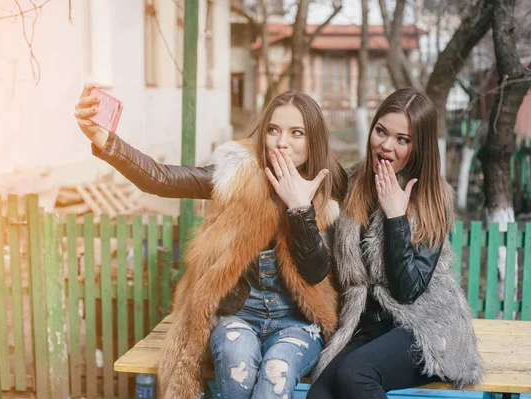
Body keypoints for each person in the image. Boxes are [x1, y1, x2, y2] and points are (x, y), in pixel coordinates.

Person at [74, 84, 347, 399]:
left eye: (296, 133)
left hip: (297, 322)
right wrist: (103, 139)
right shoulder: (239, 172)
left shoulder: (329, 189)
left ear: (314, 140)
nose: (281, 143)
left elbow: (316, 272)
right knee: (236, 363)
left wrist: (301, 210)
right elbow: (161, 178)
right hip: (239, 314)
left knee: (277, 372)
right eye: (273, 130)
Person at [307, 88, 483, 399]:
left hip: (423, 326)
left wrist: (395, 218)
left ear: (419, 148)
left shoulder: (432, 196)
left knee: (355, 375)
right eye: (381, 131)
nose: (386, 145)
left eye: (402, 139)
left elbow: (408, 291)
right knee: (320, 392)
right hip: (369, 328)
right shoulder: (352, 183)